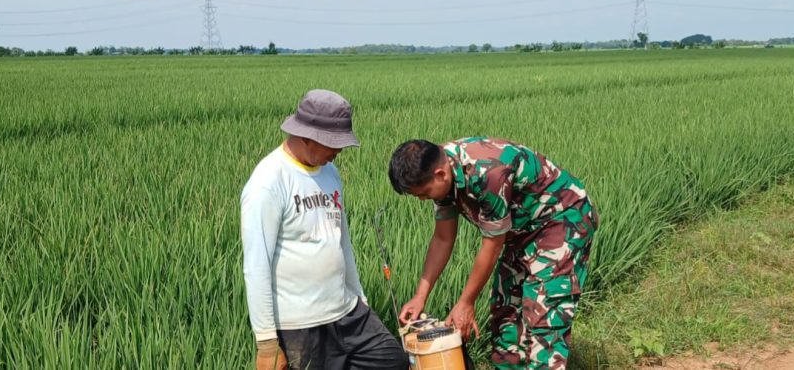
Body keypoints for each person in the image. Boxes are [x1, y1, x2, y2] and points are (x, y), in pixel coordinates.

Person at [388, 137, 598, 369]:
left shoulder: (488, 172)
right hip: (521, 230)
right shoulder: (441, 175)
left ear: (440, 174)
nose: (422, 199)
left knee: (543, 314)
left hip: (561, 220)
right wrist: (420, 296)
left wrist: (466, 302)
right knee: (506, 310)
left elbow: (493, 244)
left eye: (424, 193)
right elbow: (443, 238)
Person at [242, 89, 406, 370]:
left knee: (393, 361)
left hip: (347, 311)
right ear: (307, 137)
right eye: (333, 143)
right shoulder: (268, 183)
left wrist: (360, 298)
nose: (338, 151)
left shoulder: (330, 172)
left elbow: (342, 241)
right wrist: (267, 343)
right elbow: (256, 265)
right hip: (301, 325)